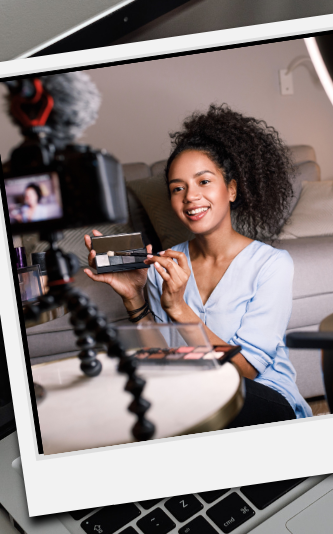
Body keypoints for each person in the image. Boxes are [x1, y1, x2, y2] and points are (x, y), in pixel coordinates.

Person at [83, 105, 311, 423]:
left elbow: (244, 369)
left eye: (203, 182)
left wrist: (180, 309)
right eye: (178, 188)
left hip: (263, 399)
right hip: (194, 397)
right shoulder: (165, 267)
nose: (190, 196)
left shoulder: (271, 265)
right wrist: (134, 297)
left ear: (231, 189)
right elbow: (162, 361)